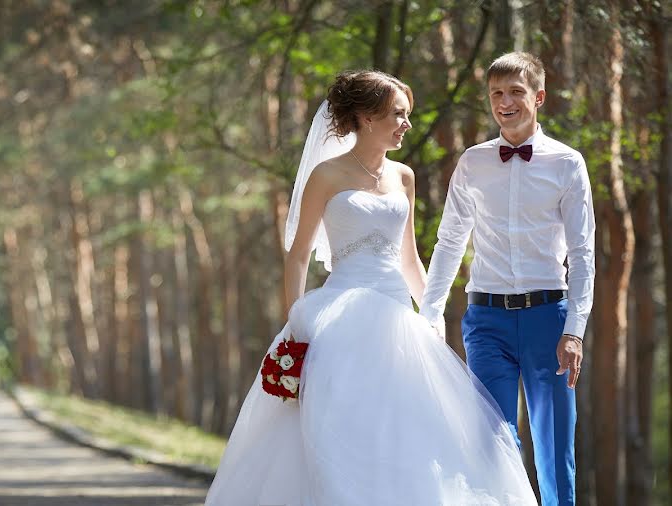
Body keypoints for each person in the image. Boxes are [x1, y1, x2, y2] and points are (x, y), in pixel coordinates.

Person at [205, 70, 537, 505]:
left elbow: (408, 258)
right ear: (364, 117)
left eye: (407, 115)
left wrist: (431, 312)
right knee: (341, 429)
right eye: (398, 115)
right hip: (339, 317)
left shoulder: (404, 177)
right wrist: (297, 322)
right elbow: (299, 253)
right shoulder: (326, 175)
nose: (406, 124)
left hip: (399, 318)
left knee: (409, 430)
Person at [419, 52, 594, 506]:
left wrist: (574, 330)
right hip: (486, 321)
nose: (505, 102)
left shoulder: (567, 163)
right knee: (494, 447)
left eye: (516, 92)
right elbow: (449, 243)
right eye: (497, 93)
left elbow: (582, 253)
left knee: (555, 452)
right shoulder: (472, 163)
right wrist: (430, 313)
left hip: (548, 319)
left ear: (538, 97)